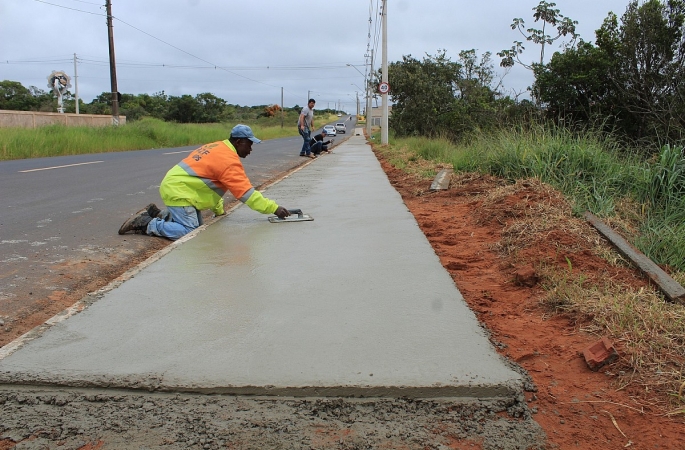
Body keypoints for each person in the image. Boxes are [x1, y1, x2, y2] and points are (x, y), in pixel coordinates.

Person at [118, 124, 290, 240]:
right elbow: (247, 194)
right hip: (180, 192)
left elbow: (214, 187)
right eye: (249, 144)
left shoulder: (218, 147)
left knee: (199, 225)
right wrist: (274, 208)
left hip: (177, 187)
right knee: (190, 232)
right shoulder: (228, 160)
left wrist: (220, 212)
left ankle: (162, 214)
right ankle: (147, 224)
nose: (251, 149)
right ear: (238, 142)